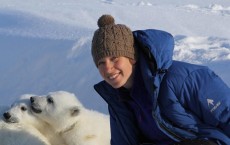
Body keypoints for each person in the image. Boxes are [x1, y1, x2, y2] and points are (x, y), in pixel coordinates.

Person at [91, 14, 230, 145]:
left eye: (114, 59)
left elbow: (226, 115)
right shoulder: (117, 100)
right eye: (101, 63)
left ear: (132, 57)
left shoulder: (183, 79)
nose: (108, 68)